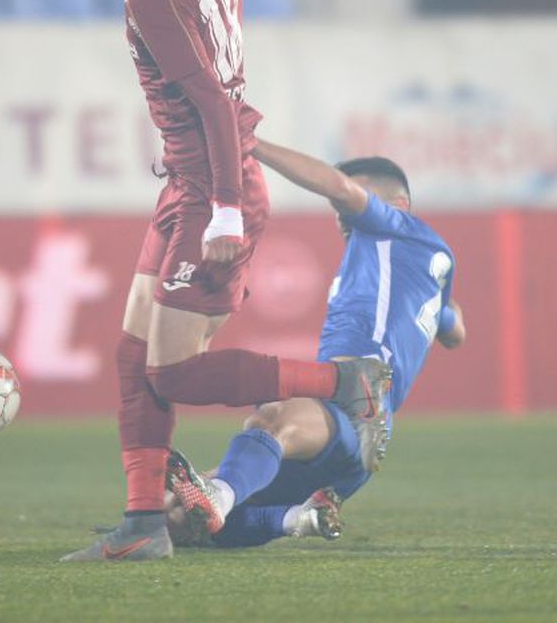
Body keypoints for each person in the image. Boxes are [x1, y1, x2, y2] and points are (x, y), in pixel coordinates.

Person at [59, 0, 391, 562]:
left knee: (173, 373)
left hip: (214, 186)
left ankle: (345, 382)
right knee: (134, 355)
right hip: (190, 183)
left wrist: (226, 215)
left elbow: (211, 100)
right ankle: (144, 521)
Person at [165, 140, 466, 549]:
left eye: (351, 198)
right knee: (179, 517)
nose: (341, 213)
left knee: (270, 418)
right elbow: (454, 329)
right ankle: (298, 518)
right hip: (356, 436)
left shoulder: (394, 227)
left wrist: (247, 143)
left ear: (399, 203)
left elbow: (338, 187)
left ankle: (219, 496)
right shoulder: (418, 265)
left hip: (355, 400)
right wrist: (448, 318)